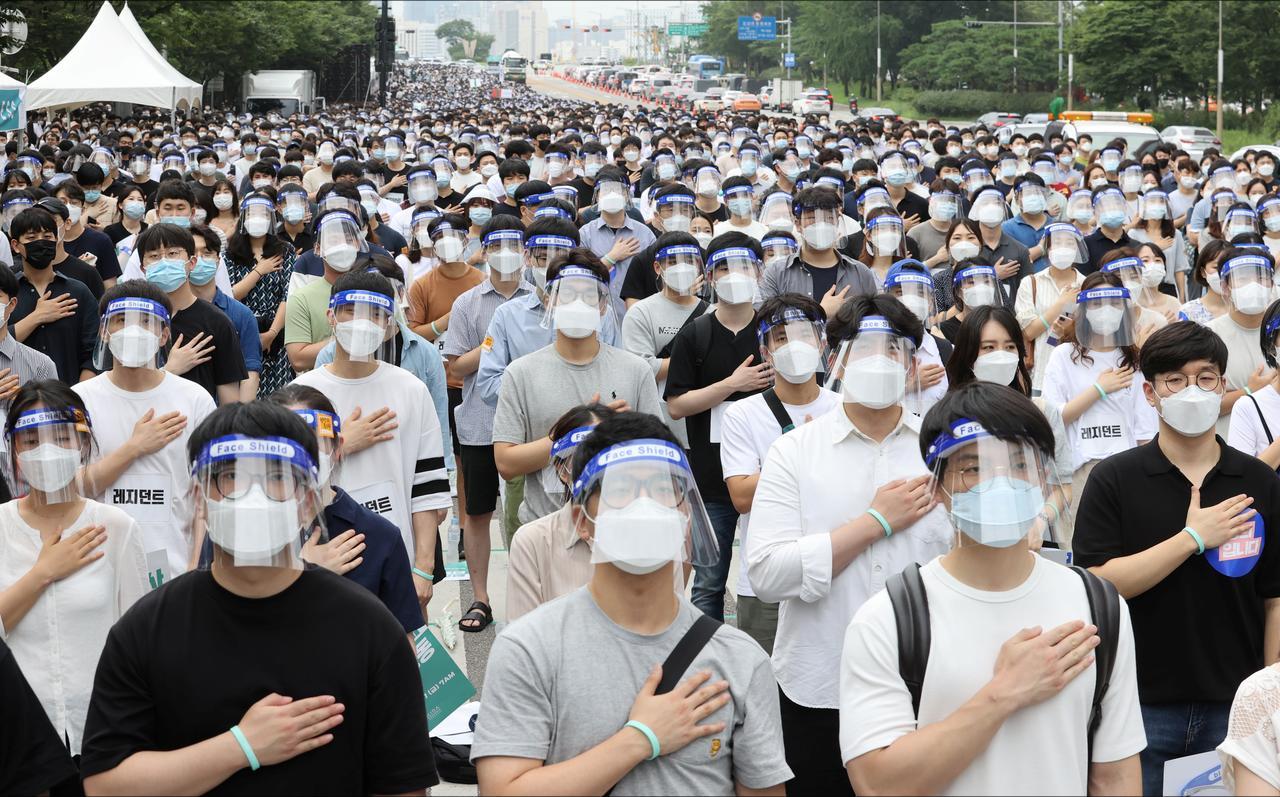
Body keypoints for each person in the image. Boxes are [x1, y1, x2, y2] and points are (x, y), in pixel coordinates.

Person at [79, 400, 438, 794]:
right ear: (199, 499)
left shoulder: (371, 629)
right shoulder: (146, 629)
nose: (253, 493)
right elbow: (104, 784)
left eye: (275, 475)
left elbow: (402, 785)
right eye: (230, 474)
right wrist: (241, 746)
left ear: (307, 501)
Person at [840, 381, 1145, 796]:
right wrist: (1004, 693)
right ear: (938, 487)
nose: (999, 483)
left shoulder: (1098, 605)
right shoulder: (890, 619)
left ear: (1043, 477)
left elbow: (1114, 776)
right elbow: (877, 784)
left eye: (1020, 464)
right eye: (973, 468)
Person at [473, 411, 793, 796]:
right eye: (620, 490)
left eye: (663, 489)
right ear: (583, 521)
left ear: (686, 514)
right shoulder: (528, 649)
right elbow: (502, 790)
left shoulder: (741, 659)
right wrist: (640, 738)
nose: (645, 506)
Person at [746, 293, 951, 796]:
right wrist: (874, 522)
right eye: (863, 348)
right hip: (819, 684)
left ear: (912, 362)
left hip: (928, 687)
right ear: (834, 357)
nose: (879, 361)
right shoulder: (794, 452)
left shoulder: (943, 451)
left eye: (894, 349)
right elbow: (767, 575)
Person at [1074, 321, 1280, 795]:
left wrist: (1266, 693)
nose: (1193, 390)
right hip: (1139, 705)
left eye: (1206, 377)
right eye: (1175, 380)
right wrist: (1191, 538)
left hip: (1235, 706)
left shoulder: (1257, 481)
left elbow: (1274, 598)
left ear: (1224, 385)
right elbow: (1098, 583)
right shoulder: (1114, 479)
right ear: (1150, 393)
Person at [0, 381, 147, 776]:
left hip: (99, 732)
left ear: (83, 443)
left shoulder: (116, 528)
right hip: (17, 738)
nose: (45, 450)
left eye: (60, 437)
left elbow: (139, 640)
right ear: (13, 449)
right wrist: (44, 572)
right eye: (30, 439)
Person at [292, 270, 452, 617]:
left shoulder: (411, 389)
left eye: (376, 313)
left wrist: (423, 568)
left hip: (395, 559)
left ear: (390, 323)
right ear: (331, 316)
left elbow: (427, 487)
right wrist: (342, 444)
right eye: (351, 310)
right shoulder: (302, 396)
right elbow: (282, 480)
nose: (362, 322)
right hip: (323, 557)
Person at [493, 248, 660, 530]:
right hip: (544, 528)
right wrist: (573, 436)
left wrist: (619, 432)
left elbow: (657, 457)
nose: (578, 303)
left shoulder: (635, 370)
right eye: (567, 294)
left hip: (619, 525)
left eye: (589, 295)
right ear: (549, 301)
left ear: (603, 305)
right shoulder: (520, 373)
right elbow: (507, 463)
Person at [719, 293, 840, 654]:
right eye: (782, 337)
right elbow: (741, 495)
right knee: (766, 690)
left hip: (835, 567)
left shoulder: (844, 408)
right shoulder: (742, 414)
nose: (794, 345)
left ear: (821, 342)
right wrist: (804, 455)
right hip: (764, 579)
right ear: (766, 350)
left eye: (804, 334)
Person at [75, 279, 215, 586]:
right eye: (122, 320)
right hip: (96, 567)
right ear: (104, 331)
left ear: (164, 334)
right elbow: (72, 486)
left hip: (173, 570)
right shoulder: (80, 400)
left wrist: (196, 566)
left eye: (147, 321)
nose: (133, 331)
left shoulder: (195, 399)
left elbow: (207, 494)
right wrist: (134, 447)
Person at [665, 233, 770, 621]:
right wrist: (731, 386)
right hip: (711, 479)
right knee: (708, 584)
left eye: (743, 266)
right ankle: (704, 661)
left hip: (770, 477)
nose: (734, 276)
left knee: (771, 582)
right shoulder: (696, 333)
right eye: (724, 267)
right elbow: (676, 405)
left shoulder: (774, 332)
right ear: (709, 275)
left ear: (759, 272)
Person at [265, 384, 423, 634]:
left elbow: (402, 648)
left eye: (309, 444)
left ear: (337, 448)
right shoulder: (239, 538)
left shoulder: (378, 537)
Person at [444, 219, 530, 607]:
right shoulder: (468, 303)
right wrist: (496, 339)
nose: (507, 251)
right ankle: (480, 598)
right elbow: (456, 368)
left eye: (516, 244)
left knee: (532, 512)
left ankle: (530, 593)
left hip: (533, 425)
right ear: (484, 249)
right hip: (482, 421)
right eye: (499, 244)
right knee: (478, 512)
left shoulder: (542, 298)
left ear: (527, 251)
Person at [1041, 271, 1157, 545]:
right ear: (1082, 309)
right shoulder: (1063, 356)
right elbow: (1053, 418)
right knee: (1080, 551)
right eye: (1096, 303)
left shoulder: (1135, 360)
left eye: (1113, 303)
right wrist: (1098, 390)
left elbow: (1145, 431)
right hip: (1078, 472)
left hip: (1127, 470)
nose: (1105, 311)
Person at [504, 402, 614, 622]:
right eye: (587, 457)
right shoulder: (532, 541)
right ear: (562, 470)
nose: (601, 468)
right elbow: (523, 639)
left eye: (609, 454)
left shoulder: (644, 533)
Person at [136, 223, 247, 403]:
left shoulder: (217, 322)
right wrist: (169, 371)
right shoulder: (134, 320)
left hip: (199, 426)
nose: (164, 262)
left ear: (192, 262)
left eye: (172, 254)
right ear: (143, 268)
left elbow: (230, 403)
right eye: (154, 256)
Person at [620, 232, 710, 448]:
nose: (682, 267)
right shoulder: (641, 312)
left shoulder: (712, 312)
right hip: (658, 426)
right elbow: (642, 368)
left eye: (689, 260)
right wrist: (693, 358)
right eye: (672, 261)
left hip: (704, 423)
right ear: (657, 268)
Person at [8, 207, 99, 384]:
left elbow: (95, 351)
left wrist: (79, 394)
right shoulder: (6, 293)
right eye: (31, 238)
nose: (41, 243)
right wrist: (37, 317)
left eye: (48, 237)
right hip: (16, 401)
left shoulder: (78, 292)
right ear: (15, 245)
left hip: (69, 398)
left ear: (57, 240)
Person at [759, 187, 877, 314]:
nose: (822, 225)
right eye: (812, 218)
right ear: (798, 224)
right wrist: (822, 312)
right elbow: (770, 323)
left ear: (837, 223)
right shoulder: (776, 274)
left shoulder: (861, 274)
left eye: (829, 218)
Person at [223, 192, 295, 397]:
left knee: (278, 398)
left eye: (262, 214)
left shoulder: (285, 250)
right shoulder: (230, 253)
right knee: (246, 392)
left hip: (276, 332)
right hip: (240, 330)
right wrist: (258, 271)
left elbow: (288, 295)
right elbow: (230, 295)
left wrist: (271, 334)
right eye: (251, 214)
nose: (257, 219)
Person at [190, 225, 262, 402]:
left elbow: (250, 374)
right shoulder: (172, 311)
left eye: (207, 253)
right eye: (193, 254)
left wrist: (237, 421)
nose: (200, 259)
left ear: (218, 259)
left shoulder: (241, 314)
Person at [1209, 249, 1276, 439]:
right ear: (1225, 286)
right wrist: (1249, 391)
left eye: (1261, 278)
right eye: (1243, 278)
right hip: (1231, 448)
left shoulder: (1276, 332)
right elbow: (1206, 407)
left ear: (1271, 284)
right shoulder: (1208, 336)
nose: (1253, 285)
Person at [1015, 222, 1087, 393]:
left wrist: (1070, 331)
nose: (1063, 248)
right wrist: (1061, 304)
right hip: (1039, 374)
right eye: (1057, 242)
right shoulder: (1030, 283)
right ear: (1048, 248)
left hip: (1079, 374)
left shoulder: (1087, 285)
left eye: (1069, 243)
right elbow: (1028, 331)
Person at [1179, 240, 1232, 323]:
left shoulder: (1244, 308)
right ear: (1203, 272)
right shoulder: (1189, 312)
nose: (1222, 272)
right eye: (1216, 267)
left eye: (1228, 267)